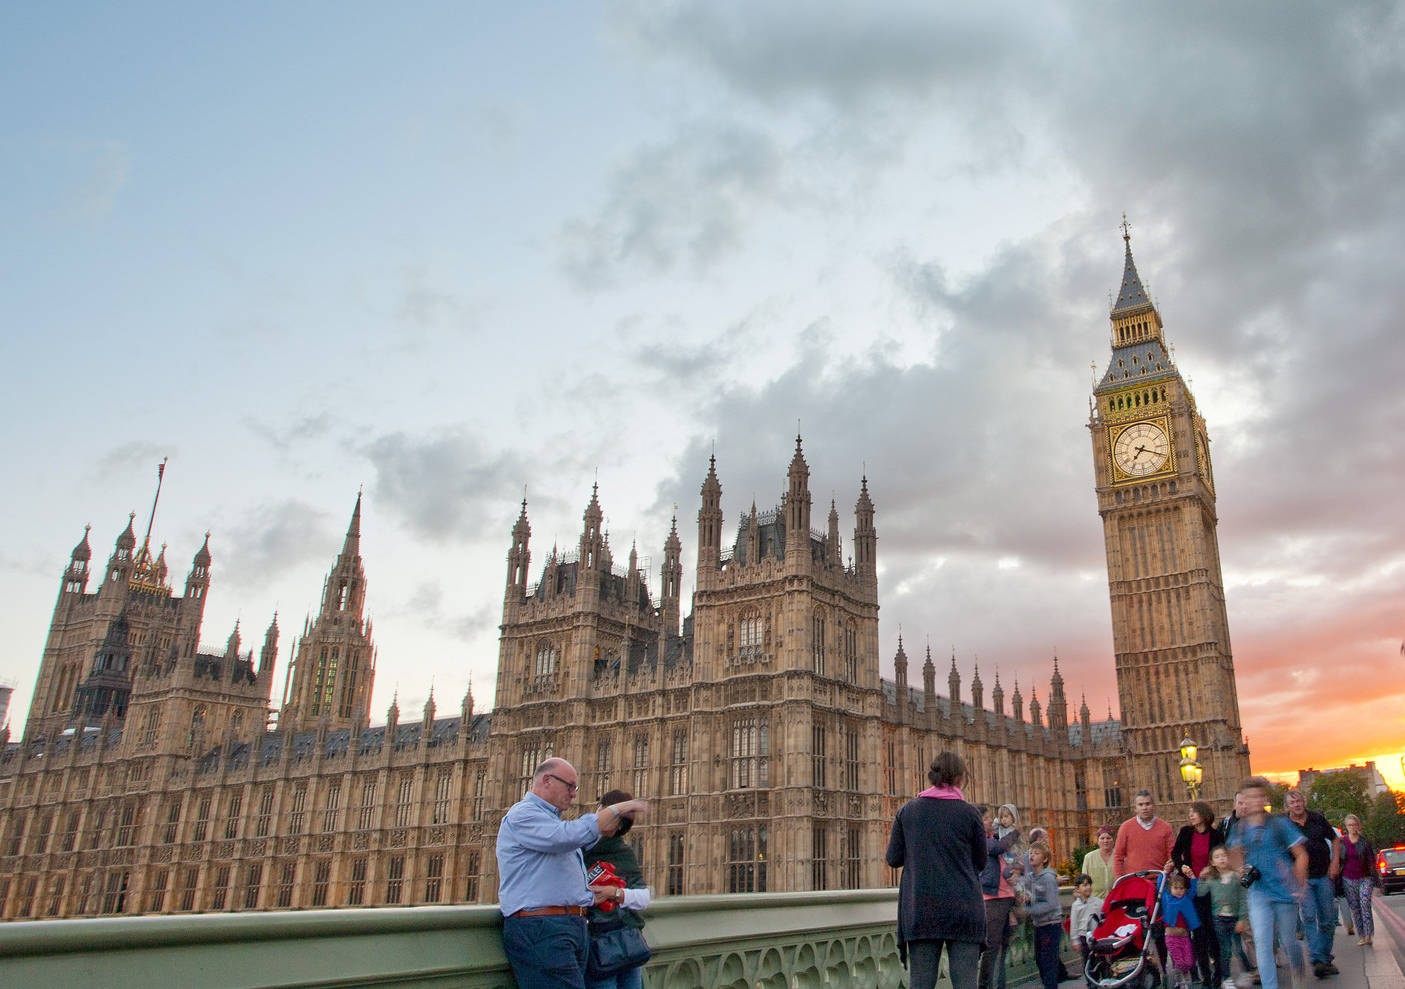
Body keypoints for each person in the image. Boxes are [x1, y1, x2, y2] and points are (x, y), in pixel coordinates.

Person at [496, 758, 650, 989]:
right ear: (547, 780)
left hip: (568, 927)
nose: (574, 794)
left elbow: (561, 866)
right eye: (570, 786)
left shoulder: (551, 822)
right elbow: (568, 836)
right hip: (543, 928)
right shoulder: (524, 814)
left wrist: (592, 897)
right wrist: (618, 808)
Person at [886, 752, 988, 989]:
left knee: (921, 983)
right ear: (960, 778)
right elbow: (981, 861)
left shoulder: (907, 811)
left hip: (921, 908)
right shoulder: (970, 813)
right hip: (964, 908)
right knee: (965, 984)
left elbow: (893, 858)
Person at [1227, 776, 1309, 989]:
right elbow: (1233, 857)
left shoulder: (1280, 825)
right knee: (1263, 945)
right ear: (1243, 800)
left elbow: (1301, 854)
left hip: (1284, 891)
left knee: (1289, 942)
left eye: (1257, 796)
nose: (1254, 801)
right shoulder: (1240, 829)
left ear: (1264, 798)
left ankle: (1297, 966)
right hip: (1259, 893)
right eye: (1249, 797)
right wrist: (1240, 867)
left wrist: (1299, 885)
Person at [582, 789, 652, 989]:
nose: (613, 826)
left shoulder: (621, 851)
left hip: (627, 942)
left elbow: (643, 896)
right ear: (599, 810)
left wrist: (615, 893)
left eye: (619, 823)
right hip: (596, 945)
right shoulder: (576, 846)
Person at [1114, 790, 1176, 969]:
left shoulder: (1165, 827)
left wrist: (1169, 867)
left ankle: (1163, 967)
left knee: (1159, 929)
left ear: (1153, 806)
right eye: (1141, 805)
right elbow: (1118, 856)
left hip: (1158, 884)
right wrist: (1120, 881)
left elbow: (1171, 855)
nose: (1145, 807)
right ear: (1135, 808)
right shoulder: (1126, 827)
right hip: (1135, 886)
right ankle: (1137, 967)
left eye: (1148, 804)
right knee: (1134, 928)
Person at [1284, 789, 1340, 977]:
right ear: (1288, 806)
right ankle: (1317, 958)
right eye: (1292, 803)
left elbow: (1335, 839)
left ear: (1304, 802)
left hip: (1323, 875)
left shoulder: (1317, 818)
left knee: (1327, 919)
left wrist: (1335, 862)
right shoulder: (1285, 825)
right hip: (1302, 879)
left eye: (1299, 801)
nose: (1297, 805)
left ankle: (1324, 957)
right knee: (1308, 917)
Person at [1173, 801, 1226, 988]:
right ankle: (1206, 978)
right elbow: (1175, 854)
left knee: (1214, 934)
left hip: (1212, 890)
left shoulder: (1216, 835)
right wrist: (1182, 868)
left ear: (1203, 815)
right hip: (1192, 890)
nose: (1190, 815)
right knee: (1198, 934)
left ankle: (1219, 975)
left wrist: (1211, 869)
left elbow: (1222, 860)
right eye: (1189, 812)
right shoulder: (1186, 833)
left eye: (1193, 812)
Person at [978, 805, 1019, 989]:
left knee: (1002, 947)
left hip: (1006, 898)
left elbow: (1012, 858)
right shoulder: (981, 840)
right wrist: (1015, 833)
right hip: (993, 900)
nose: (991, 821)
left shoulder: (994, 837)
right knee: (992, 947)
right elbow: (998, 849)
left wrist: (1018, 869)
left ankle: (999, 985)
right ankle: (985, 986)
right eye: (987, 818)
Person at [1203, 845, 1250, 989]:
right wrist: (1198, 878)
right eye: (1217, 857)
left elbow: (1243, 898)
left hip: (1235, 918)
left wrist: (1242, 918)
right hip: (1219, 918)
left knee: (1239, 948)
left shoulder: (1236, 877)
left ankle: (1246, 973)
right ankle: (1227, 978)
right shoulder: (1211, 879)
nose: (1221, 859)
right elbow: (1200, 892)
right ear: (1212, 862)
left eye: (1223, 855)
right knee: (1225, 950)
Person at [1024, 842, 1063, 989]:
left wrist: (1029, 910)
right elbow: (1028, 896)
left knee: (1048, 963)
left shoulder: (1048, 878)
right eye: (1031, 853)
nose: (1032, 855)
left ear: (1045, 859)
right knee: (1040, 960)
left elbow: (1051, 904)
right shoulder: (1029, 878)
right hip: (1038, 925)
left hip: (1051, 925)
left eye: (1036, 853)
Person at [1339, 815, 1377, 947]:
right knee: (1355, 908)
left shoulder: (1364, 842)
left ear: (1358, 825)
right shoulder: (1342, 843)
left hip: (1365, 877)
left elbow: (1372, 861)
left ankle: (1368, 935)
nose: (1352, 827)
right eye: (1350, 825)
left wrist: (1374, 878)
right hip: (1348, 879)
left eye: (1354, 824)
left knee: (1365, 903)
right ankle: (1361, 935)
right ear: (1346, 827)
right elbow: (1339, 861)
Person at [1163, 871, 1201, 989]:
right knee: (1179, 962)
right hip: (1171, 938)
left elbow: (1194, 890)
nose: (1179, 891)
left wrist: (1192, 878)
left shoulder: (1186, 899)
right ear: (1170, 889)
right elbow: (1161, 887)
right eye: (1176, 888)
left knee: (1189, 962)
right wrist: (1164, 873)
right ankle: (1179, 980)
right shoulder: (1167, 899)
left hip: (1184, 937)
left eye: (1181, 888)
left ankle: (1182, 976)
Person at [1069, 872, 1104, 966]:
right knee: (1087, 960)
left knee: (1101, 959)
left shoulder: (1098, 902)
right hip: (1083, 936)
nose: (1088, 887)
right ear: (1077, 889)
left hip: (1097, 935)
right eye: (1084, 885)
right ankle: (1090, 979)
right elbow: (1074, 925)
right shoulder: (1076, 905)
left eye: (1089, 884)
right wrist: (1075, 940)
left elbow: (1103, 918)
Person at [1082, 825, 1117, 899]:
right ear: (1098, 841)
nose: (1105, 841)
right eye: (1102, 838)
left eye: (1108, 838)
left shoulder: (1120, 856)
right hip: (1095, 900)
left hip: (1116, 900)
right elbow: (1084, 880)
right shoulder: (1089, 857)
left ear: (1113, 840)